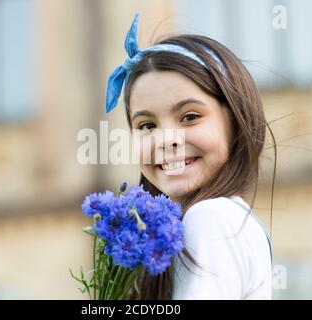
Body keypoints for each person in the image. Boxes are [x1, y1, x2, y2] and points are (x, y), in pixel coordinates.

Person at [105, 13, 276, 299]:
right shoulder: (221, 218)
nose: (166, 139)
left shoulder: (210, 218)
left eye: (189, 116)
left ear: (235, 120)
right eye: (147, 125)